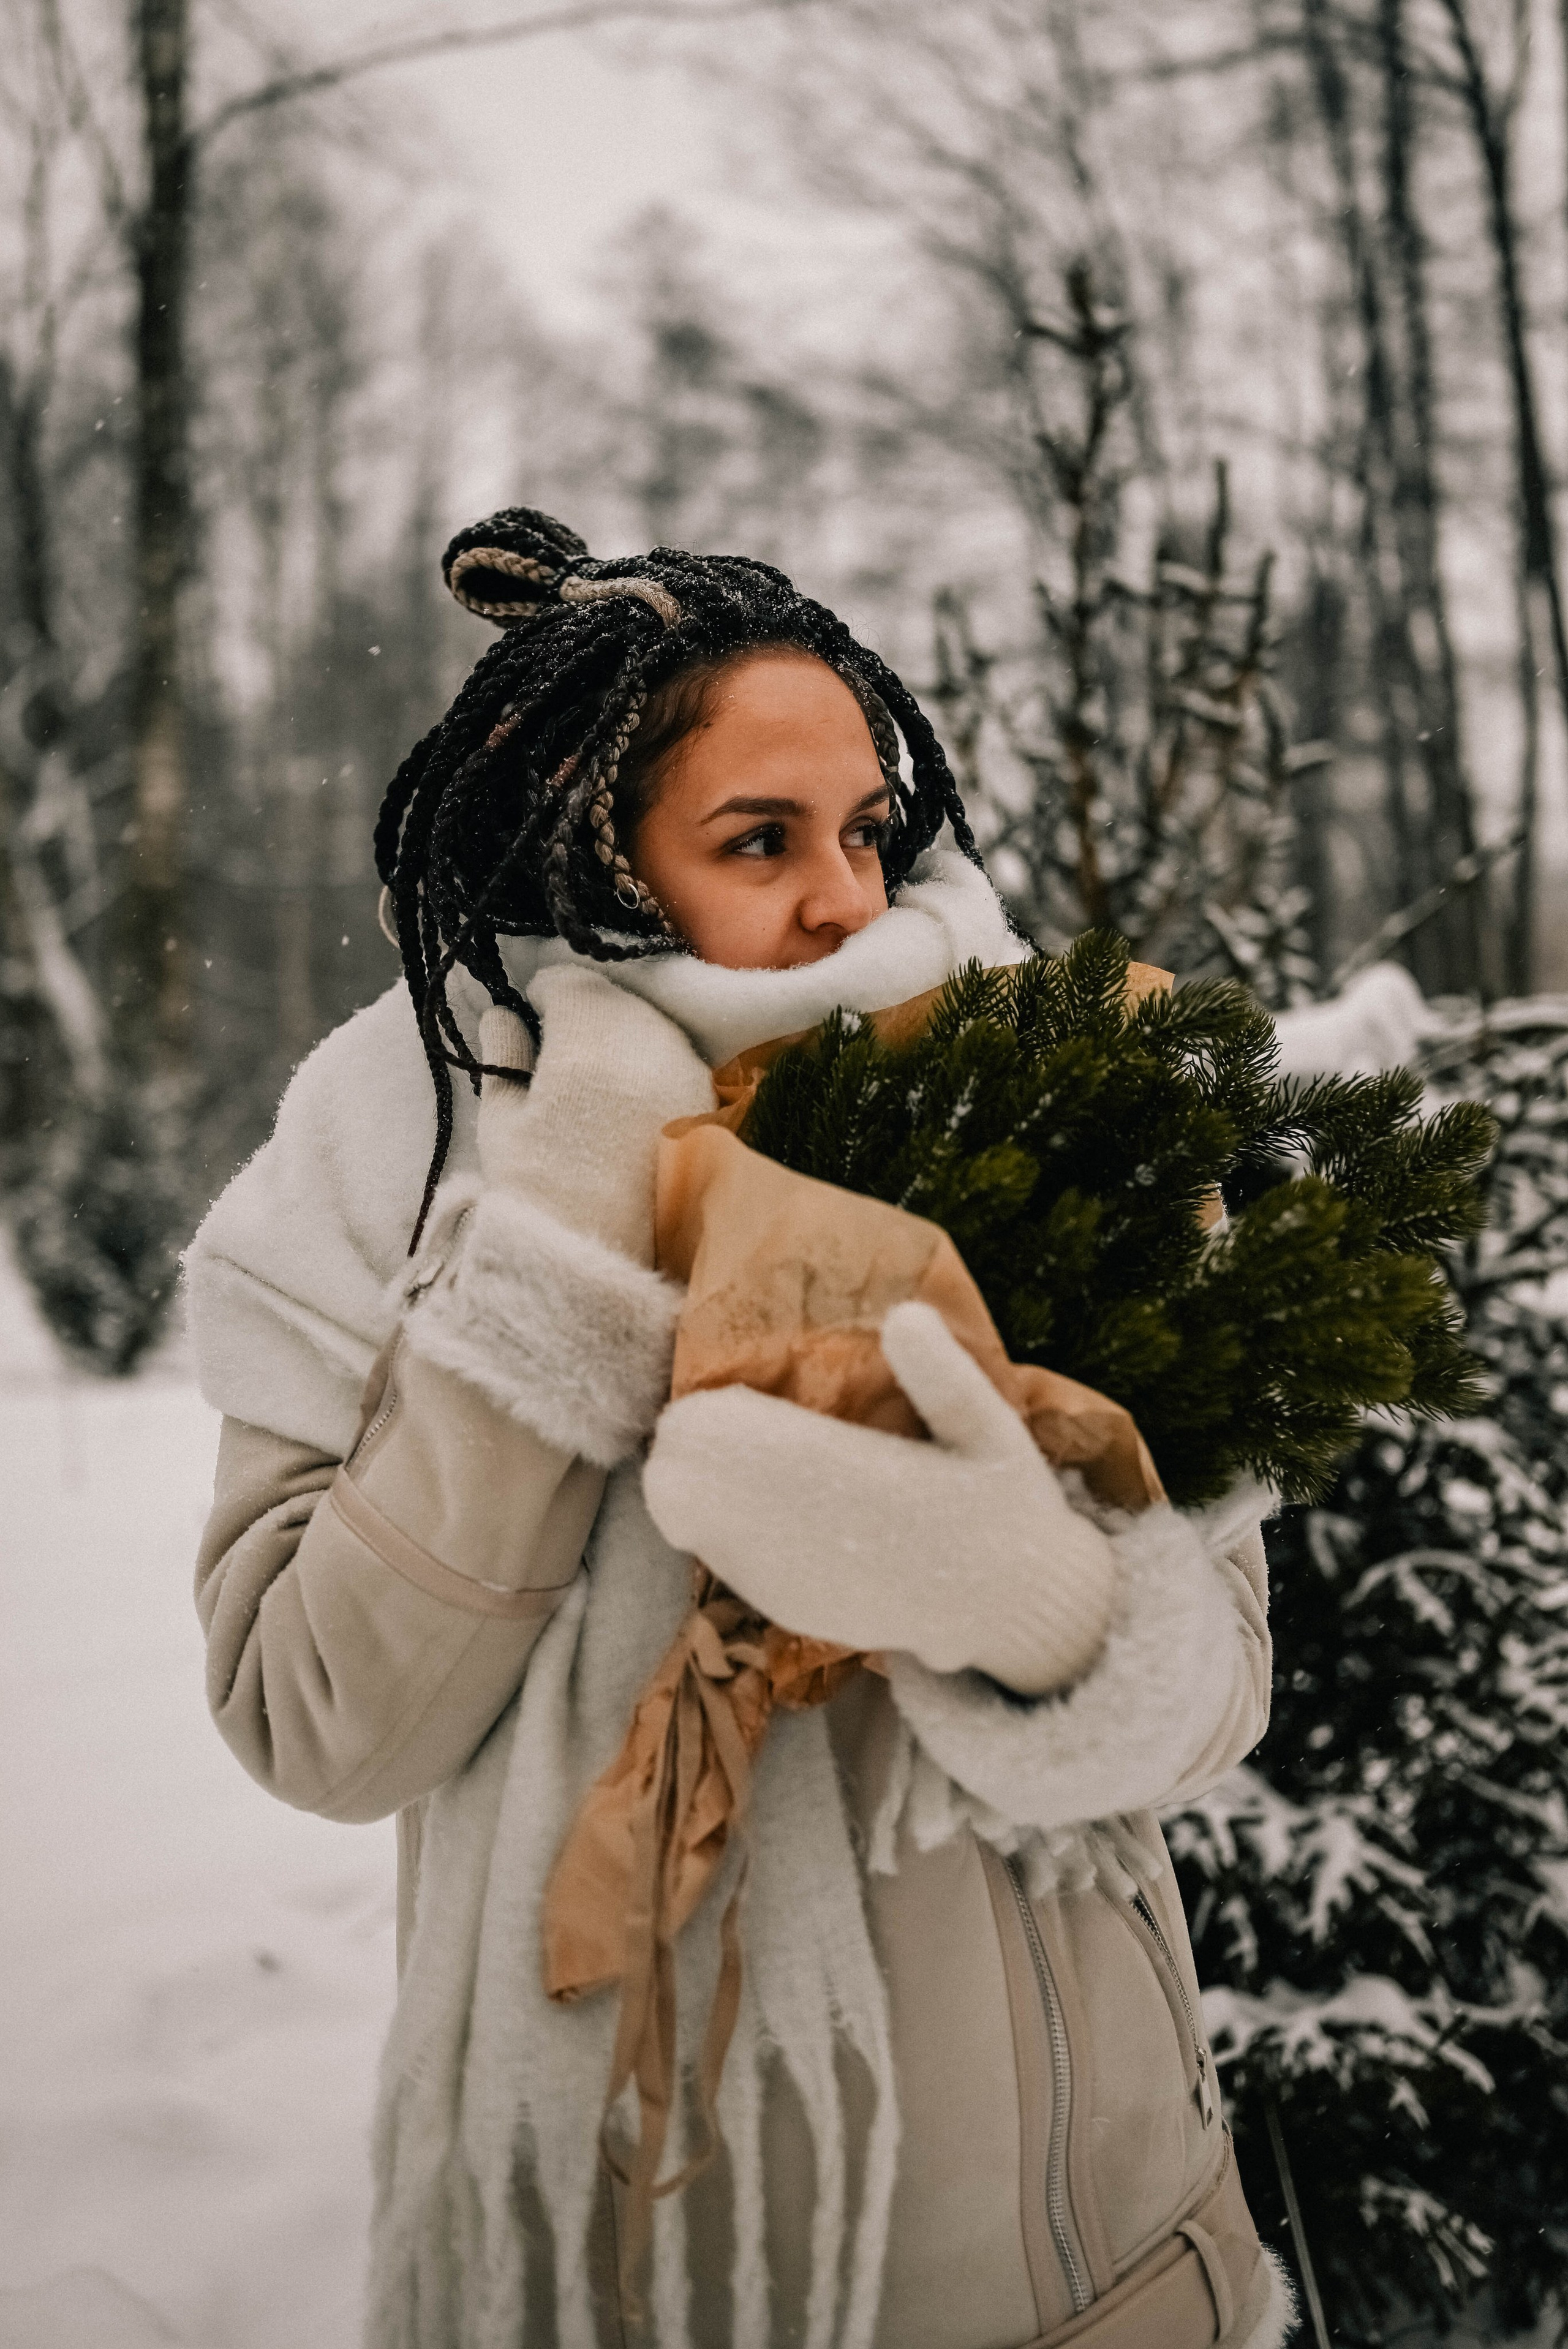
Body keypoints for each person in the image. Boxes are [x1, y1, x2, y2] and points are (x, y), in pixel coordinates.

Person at [185, 510, 1295, 2349]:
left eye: (866, 827)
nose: (850, 898)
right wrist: (560, 1249)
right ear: (585, 841)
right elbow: (321, 1723)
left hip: (1091, 2254)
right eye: (759, 839)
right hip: (638, 2274)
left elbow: (1222, 1699)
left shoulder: (1038, 1094)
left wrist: (1056, 1610)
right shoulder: (394, 1157)